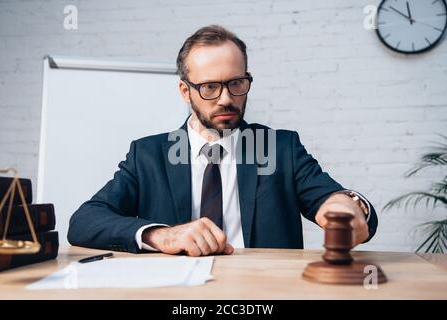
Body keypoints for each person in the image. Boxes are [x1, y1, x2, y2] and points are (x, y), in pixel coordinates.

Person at [68, 25, 377, 256]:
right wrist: (162, 236)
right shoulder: (147, 155)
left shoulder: (280, 148)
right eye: (210, 87)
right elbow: (84, 221)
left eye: (236, 83)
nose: (226, 99)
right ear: (185, 91)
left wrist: (349, 207)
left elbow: (336, 199)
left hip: (265, 294)